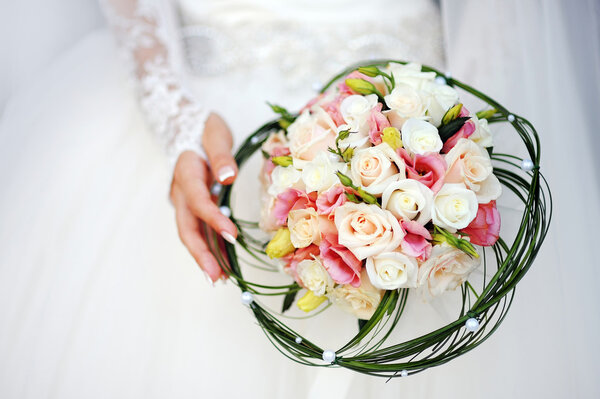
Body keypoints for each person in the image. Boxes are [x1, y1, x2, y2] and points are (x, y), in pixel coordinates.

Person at [0, 0, 598, 398]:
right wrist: (176, 122)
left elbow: (501, 26)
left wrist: (446, 163)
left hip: (412, 126)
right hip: (208, 130)